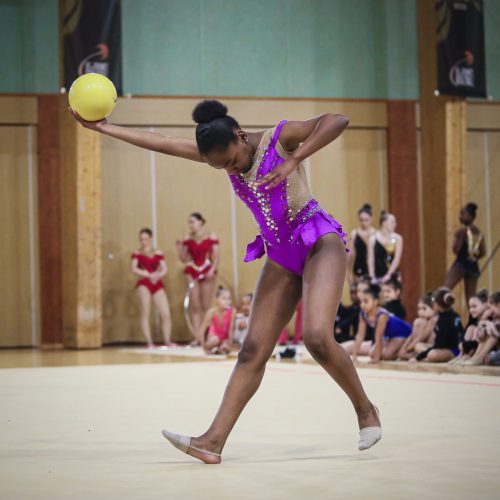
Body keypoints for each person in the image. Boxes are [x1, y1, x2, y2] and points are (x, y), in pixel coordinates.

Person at [71, 99, 381, 464]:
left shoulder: (280, 138)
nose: (231, 169)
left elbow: (337, 120)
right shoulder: (220, 155)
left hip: (318, 240)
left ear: (241, 136)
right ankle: (212, 442)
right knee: (251, 350)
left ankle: (365, 409)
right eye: (222, 167)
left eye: (231, 161)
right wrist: (104, 128)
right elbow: (161, 143)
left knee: (316, 337)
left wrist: (295, 158)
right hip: (280, 253)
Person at [175, 213, 220, 344]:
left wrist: (212, 270)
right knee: (195, 306)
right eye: (189, 222)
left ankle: (206, 335)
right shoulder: (188, 238)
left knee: (206, 305)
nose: (190, 225)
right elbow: (184, 259)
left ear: (201, 222)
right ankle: (197, 337)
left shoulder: (211, 236)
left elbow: (216, 256)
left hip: (207, 269)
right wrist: (179, 249)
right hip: (193, 270)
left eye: (193, 221)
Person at [131, 228, 173, 348]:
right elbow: (134, 268)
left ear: (150, 238)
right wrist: (147, 274)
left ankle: (167, 340)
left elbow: (164, 268)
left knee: (166, 313)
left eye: (146, 239)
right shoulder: (137, 253)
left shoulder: (158, 253)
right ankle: (149, 342)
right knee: (145, 312)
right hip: (144, 282)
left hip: (156, 282)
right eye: (141, 239)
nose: (143, 242)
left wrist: (159, 274)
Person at [351, 284, 411, 363]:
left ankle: (402, 351)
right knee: (372, 353)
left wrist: (376, 359)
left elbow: (378, 338)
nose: (362, 305)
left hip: (404, 334)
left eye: (366, 301)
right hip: (390, 336)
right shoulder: (363, 314)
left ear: (375, 302)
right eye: (361, 302)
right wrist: (354, 356)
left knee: (386, 355)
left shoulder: (382, 315)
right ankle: (398, 350)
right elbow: (360, 335)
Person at [444, 203, 486, 302]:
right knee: (471, 299)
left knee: (445, 289)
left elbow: (455, 250)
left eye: (463, 214)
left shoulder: (462, 231)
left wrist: (459, 238)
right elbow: (483, 252)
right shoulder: (478, 232)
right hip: (473, 266)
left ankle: (443, 308)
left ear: (470, 216)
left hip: (461, 264)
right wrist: (474, 257)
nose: (460, 216)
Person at [415, 288, 463, 363]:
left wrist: (418, 358)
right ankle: (427, 357)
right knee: (418, 345)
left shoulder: (445, 319)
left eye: (433, 303)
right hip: (445, 347)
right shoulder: (451, 314)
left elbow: (439, 345)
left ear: (438, 304)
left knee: (432, 354)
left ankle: (428, 358)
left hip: (453, 350)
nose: (432, 305)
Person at [450, 289, 489, 364]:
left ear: (485, 305)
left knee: (476, 329)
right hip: (473, 345)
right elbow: (464, 332)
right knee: (471, 328)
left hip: (483, 348)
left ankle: (472, 356)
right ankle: (463, 355)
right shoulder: (473, 318)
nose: (471, 310)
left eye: (474, 306)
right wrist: (462, 344)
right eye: (470, 307)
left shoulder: (489, 318)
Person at [462, 291, 500, 365]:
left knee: (489, 358)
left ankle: (479, 358)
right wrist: (484, 319)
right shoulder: (495, 319)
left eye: (489, 308)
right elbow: (481, 334)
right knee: (485, 331)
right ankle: (476, 357)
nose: (488, 311)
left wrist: (489, 325)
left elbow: (496, 334)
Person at [397, 293, 437, 360]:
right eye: (419, 309)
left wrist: (409, 348)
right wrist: (405, 348)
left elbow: (421, 337)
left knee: (418, 346)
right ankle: (420, 356)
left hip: (434, 348)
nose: (420, 312)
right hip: (422, 347)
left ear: (434, 309)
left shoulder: (434, 319)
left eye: (424, 308)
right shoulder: (422, 321)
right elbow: (412, 337)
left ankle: (423, 357)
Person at [367, 211, 403, 284]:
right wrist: (372, 277)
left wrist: (388, 275)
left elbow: (396, 259)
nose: (395, 224)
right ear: (384, 223)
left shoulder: (398, 238)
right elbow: (370, 260)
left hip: (393, 274)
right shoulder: (373, 239)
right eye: (392, 222)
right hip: (377, 275)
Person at [199, 286, 236, 355]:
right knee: (215, 340)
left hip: (225, 339)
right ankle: (214, 348)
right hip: (214, 337)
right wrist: (204, 348)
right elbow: (202, 330)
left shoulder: (232, 311)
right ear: (216, 299)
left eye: (229, 298)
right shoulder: (211, 312)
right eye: (224, 298)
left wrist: (229, 344)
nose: (227, 301)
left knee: (225, 347)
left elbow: (231, 330)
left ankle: (218, 349)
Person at [347, 204, 376, 284]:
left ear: (371, 219)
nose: (363, 223)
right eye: (361, 220)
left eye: (366, 220)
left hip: (374, 270)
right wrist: (349, 272)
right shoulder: (354, 234)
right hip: (358, 270)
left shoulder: (376, 234)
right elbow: (350, 253)